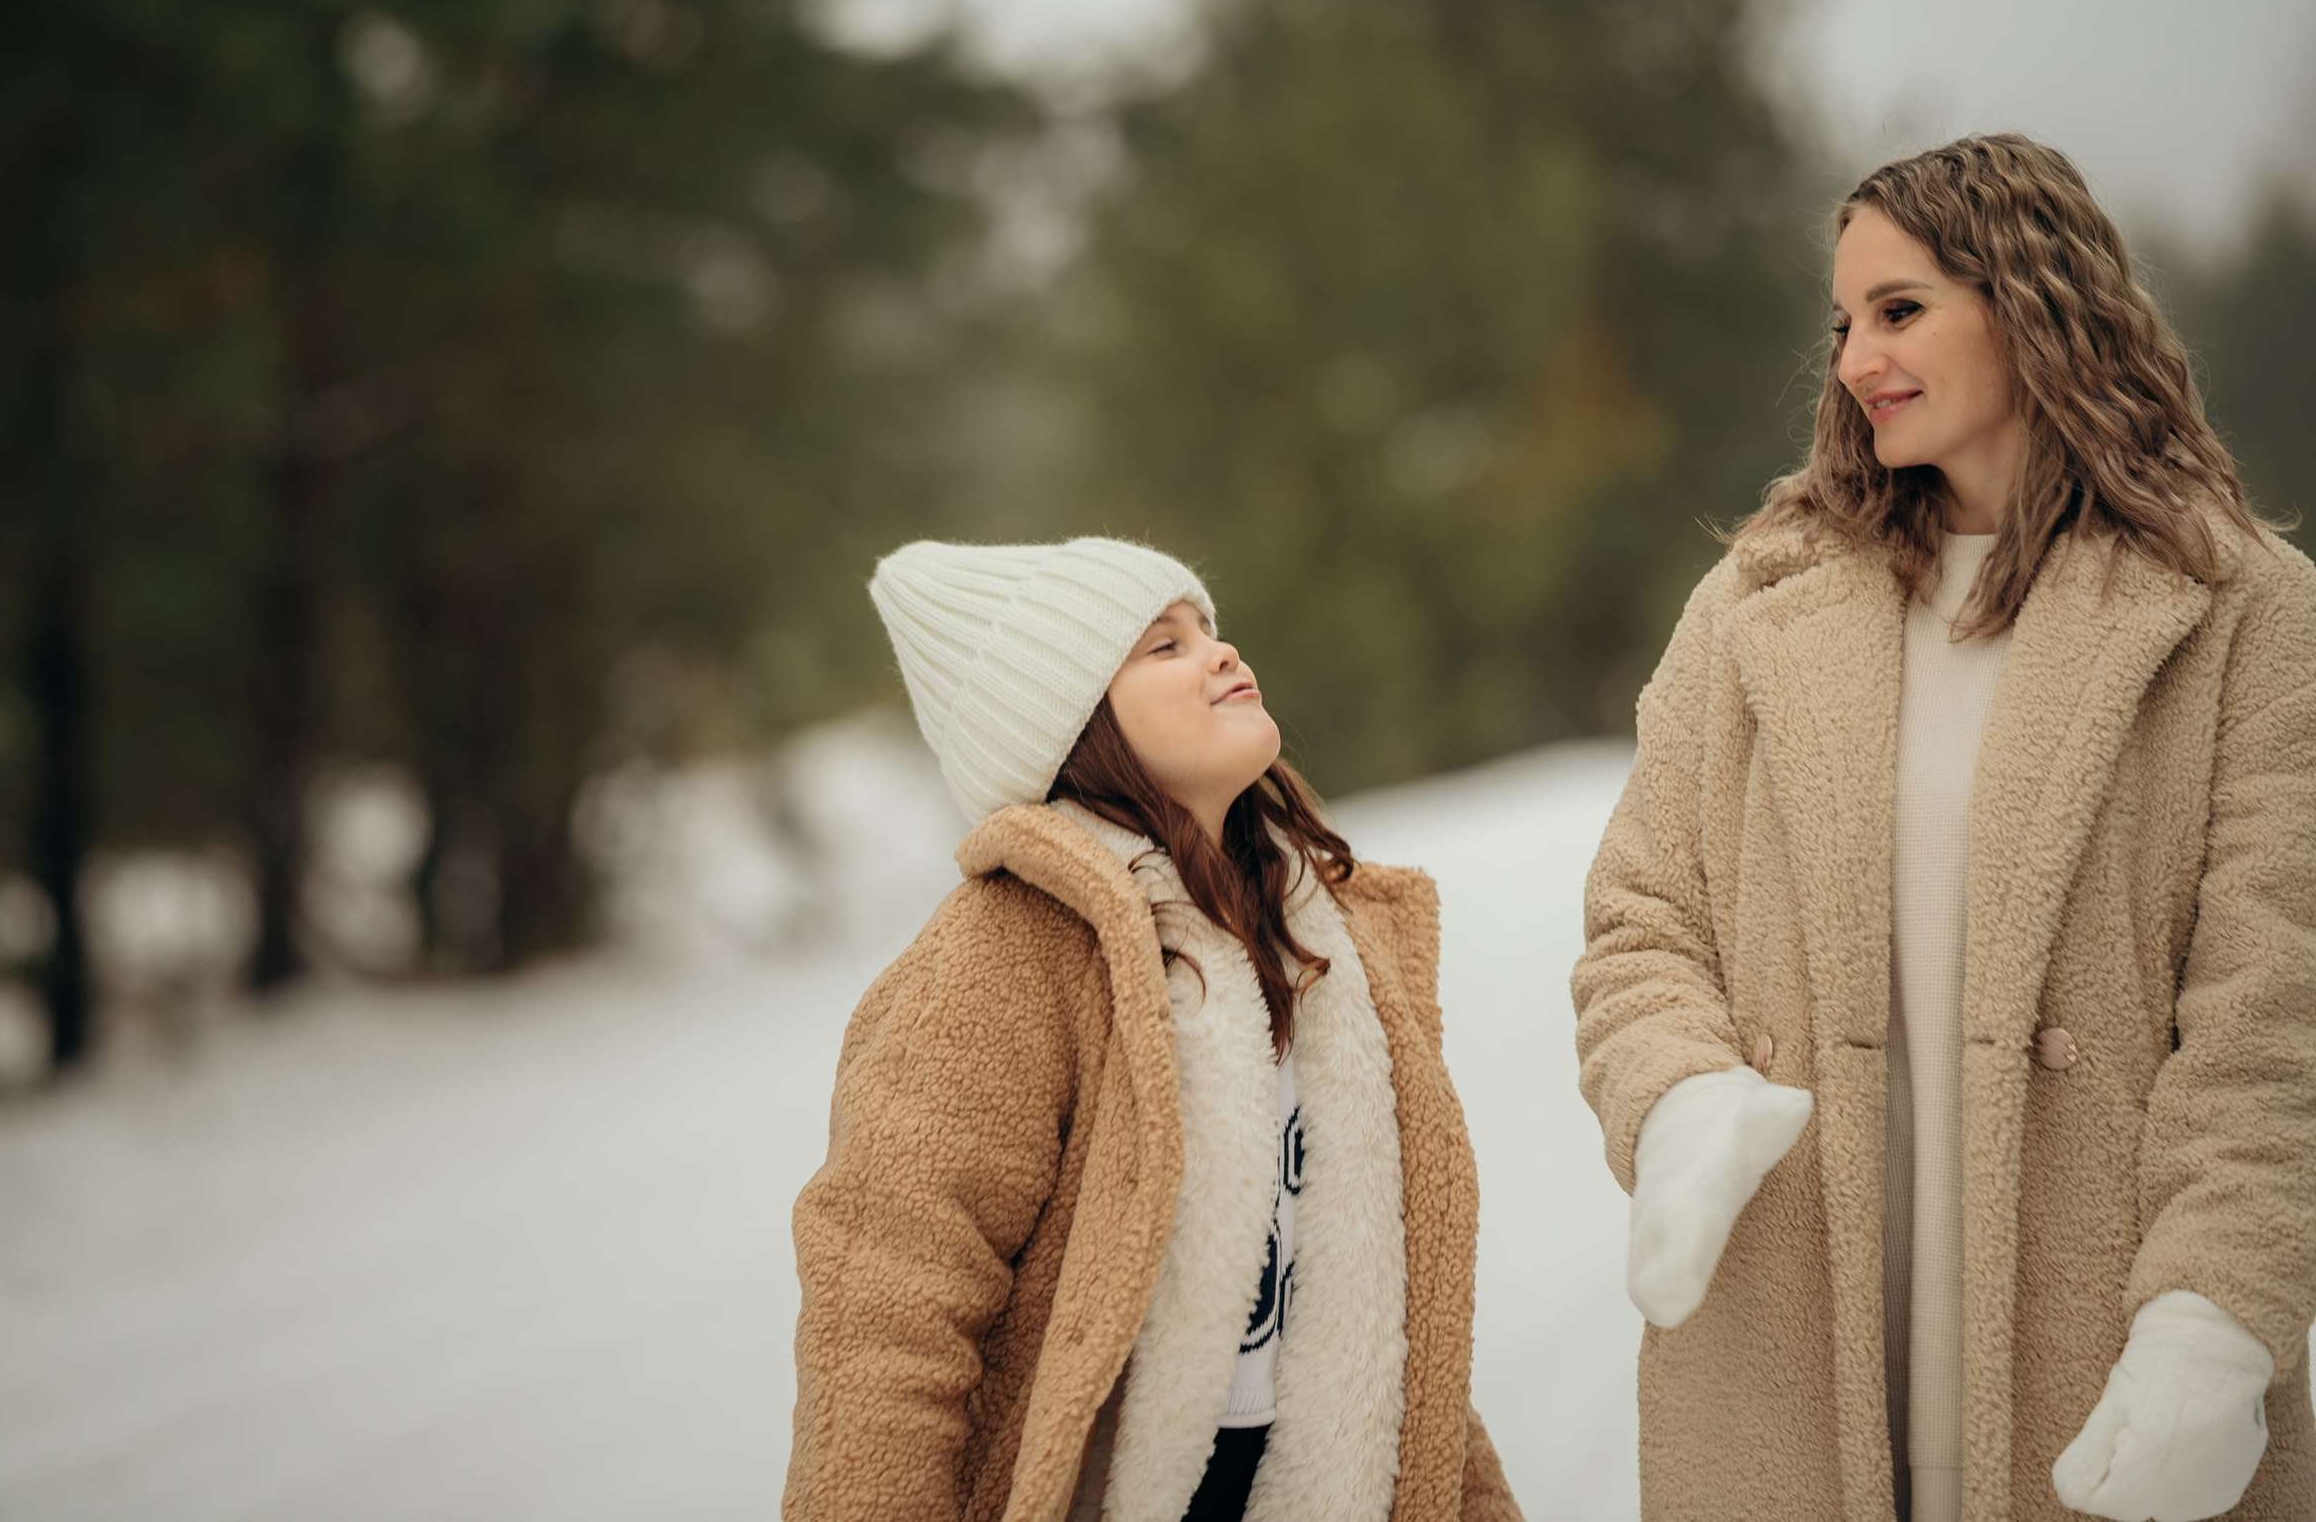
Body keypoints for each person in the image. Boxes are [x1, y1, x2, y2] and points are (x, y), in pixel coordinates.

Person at [1572, 132, 2316, 1522]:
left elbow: (2272, 1019)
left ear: (2033, 302)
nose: (1856, 359)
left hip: (2114, 1380)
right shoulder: (1753, 604)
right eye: (1841, 323)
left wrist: (2211, 1319)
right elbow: (1640, 917)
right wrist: (1678, 1098)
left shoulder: (2245, 615)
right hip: (1790, 1376)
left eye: (1899, 310)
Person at [784, 537, 1521, 1522]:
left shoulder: (1319, 943)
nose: (1220, 651)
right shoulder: (1003, 956)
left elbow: (1394, 1321)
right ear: (1073, 728)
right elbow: (885, 1313)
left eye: (1208, 628)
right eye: (1163, 645)